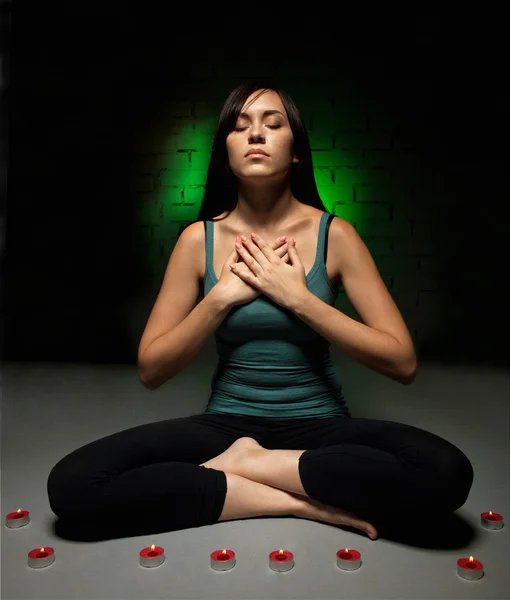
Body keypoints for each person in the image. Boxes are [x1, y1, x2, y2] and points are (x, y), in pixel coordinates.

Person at [47, 81, 474, 542]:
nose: (255, 135)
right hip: (226, 428)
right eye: (239, 126)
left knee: (446, 472)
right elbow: (152, 369)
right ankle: (290, 498)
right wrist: (221, 297)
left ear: (296, 152)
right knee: (73, 485)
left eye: (273, 124)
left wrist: (297, 298)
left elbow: (402, 362)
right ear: (225, 151)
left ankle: (253, 470)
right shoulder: (198, 241)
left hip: (321, 428)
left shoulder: (337, 236)